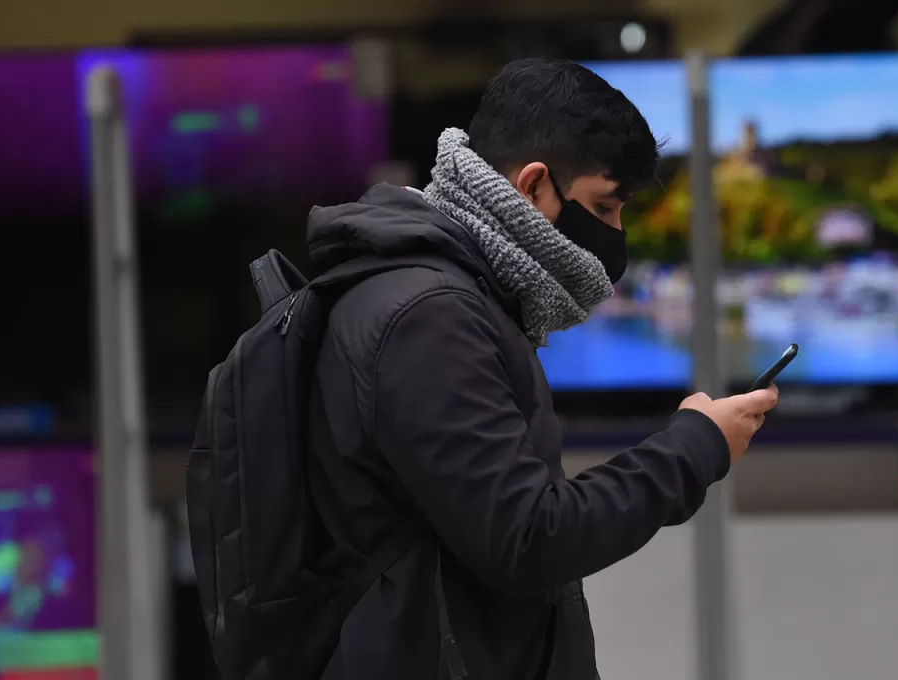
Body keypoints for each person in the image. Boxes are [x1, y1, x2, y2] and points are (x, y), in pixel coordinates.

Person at [306, 57, 779, 680]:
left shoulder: (442, 295)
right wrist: (697, 447)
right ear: (532, 186)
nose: (616, 235)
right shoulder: (431, 318)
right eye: (605, 207)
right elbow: (528, 538)